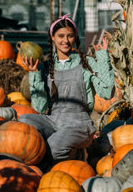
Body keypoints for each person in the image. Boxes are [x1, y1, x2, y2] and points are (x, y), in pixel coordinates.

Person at [18, 13, 115, 166]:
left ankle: (76, 154)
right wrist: (34, 74)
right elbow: (39, 107)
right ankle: (66, 152)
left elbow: (107, 92)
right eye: (61, 36)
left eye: (70, 36)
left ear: (75, 37)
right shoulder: (44, 66)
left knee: (53, 147)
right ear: (53, 38)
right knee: (24, 122)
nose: (65, 40)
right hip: (53, 120)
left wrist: (103, 58)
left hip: (79, 124)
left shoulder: (86, 63)